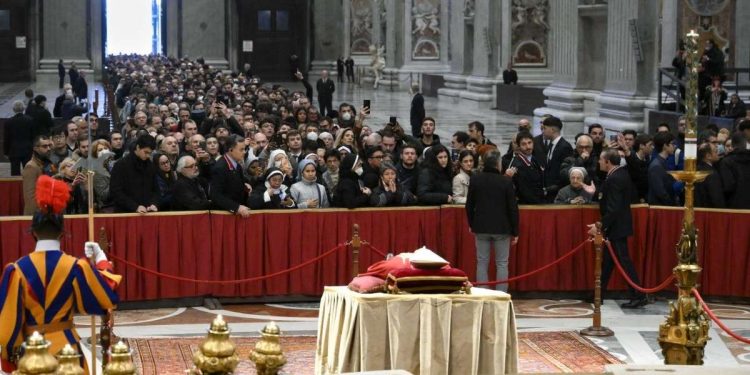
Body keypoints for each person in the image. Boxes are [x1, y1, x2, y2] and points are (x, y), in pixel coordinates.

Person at [0, 175, 120, 373]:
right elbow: (106, 297)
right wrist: (101, 260)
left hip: (32, 352)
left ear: (33, 233)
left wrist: (9, 358)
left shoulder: (16, 270)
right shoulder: (76, 266)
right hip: (68, 351)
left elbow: (9, 326)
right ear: (63, 234)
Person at [588, 149, 647, 308]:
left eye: (601, 160)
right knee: (607, 262)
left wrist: (599, 225)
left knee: (623, 261)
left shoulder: (615, 178)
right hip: (617, 226)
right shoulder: (619, 174)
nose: (599, 162)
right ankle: (598, 293)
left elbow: (613, 208)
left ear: (608, 162)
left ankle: (638, 295)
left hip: (617, 227)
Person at [465, 150, 519, 292]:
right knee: (502, 263)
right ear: (498, 164)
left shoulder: (476, 179)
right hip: (502, 228)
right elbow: (512, 208)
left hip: (481, 227)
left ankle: (483, 293)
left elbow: (469, 205)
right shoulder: (505, 181)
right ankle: (501, 294)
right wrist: (515, 231)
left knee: (482, 262)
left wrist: (471, 224)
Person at [109, 134, 160, 213]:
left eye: (150, 153)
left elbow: (155, 190)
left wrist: (154, 203)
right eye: (146, 152)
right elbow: (115, 191)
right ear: (138, 147)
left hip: (147, 211)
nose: (148, 156)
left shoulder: (150, 165)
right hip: (125, 213)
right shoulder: (121, 165)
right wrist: (134, 206)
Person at [210, 135, 252, 217]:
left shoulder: (237, 165)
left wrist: (245, 186)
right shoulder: (220, 167)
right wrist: (236, 207)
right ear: (231, 150)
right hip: (224, 215)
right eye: (241, 149)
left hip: (237, 214)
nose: (244, 152)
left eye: (245, 149)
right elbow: (216, 196)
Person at [22, 135, 55, 215]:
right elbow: (30, 197)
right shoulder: (31, 166)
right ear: (35, 148)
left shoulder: (48, 163)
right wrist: (39, 216)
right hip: (37, 215)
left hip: (49, 212)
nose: (48, 149)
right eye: (45, 146)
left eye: (49, 146)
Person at [4, 101, 35, 176]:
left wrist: (6, 152)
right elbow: (33, 136)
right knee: (28, 172)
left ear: (13, 109)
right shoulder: (30, 120)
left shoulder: (8, 122)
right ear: (23, 108)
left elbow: (7, 139)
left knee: (15, 173)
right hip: (27, 149)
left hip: (14, 150)